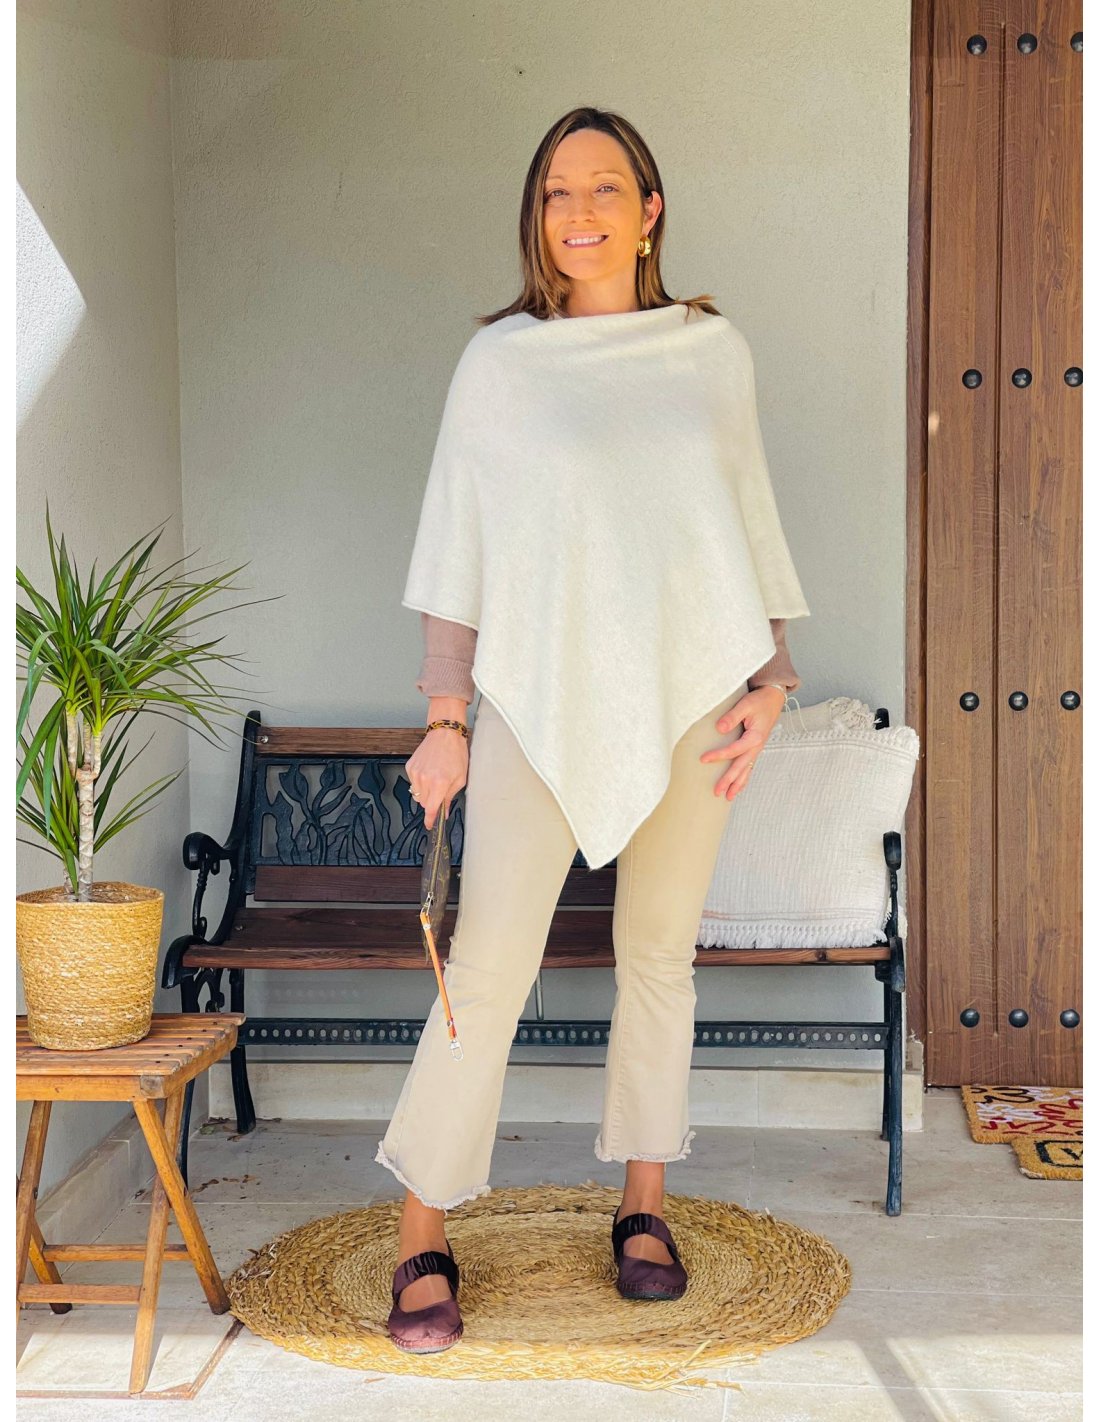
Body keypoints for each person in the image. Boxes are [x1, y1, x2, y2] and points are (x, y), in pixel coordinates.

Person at [378, 106, 810, 1353]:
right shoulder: (499, 363)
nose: (579, 210)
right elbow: (458, 541)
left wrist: (772, 681)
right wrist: (445, 718)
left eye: (605, 185)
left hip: (692, 697)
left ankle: (642, 1207)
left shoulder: (709, 352)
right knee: (486, 967)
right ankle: (419, 1227)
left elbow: (742, 522)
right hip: (535, 696)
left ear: (649, 209)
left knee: (658, 956)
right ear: (538, 216)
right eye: (557, 190)